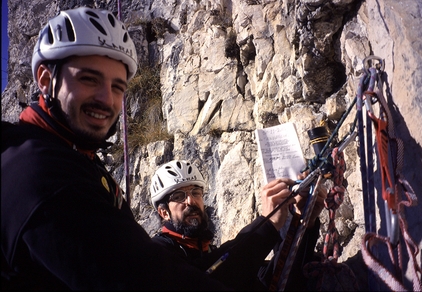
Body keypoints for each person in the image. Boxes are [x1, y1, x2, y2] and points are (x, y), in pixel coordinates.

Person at [1, 7, 235, 290]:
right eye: (89, 79)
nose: (106, 99)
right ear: (46, 79)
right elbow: (139, 277)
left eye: (117, 86)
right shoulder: (41, 172)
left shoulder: (75, 156)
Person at [150, 159, 327, 291]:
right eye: (179, 196)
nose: (191, 201)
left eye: (196, 192)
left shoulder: (208, 251)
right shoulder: (159, 254)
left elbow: (273, 279)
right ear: (164, 212)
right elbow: (204, 279)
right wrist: (267, 223)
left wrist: (303, 222)